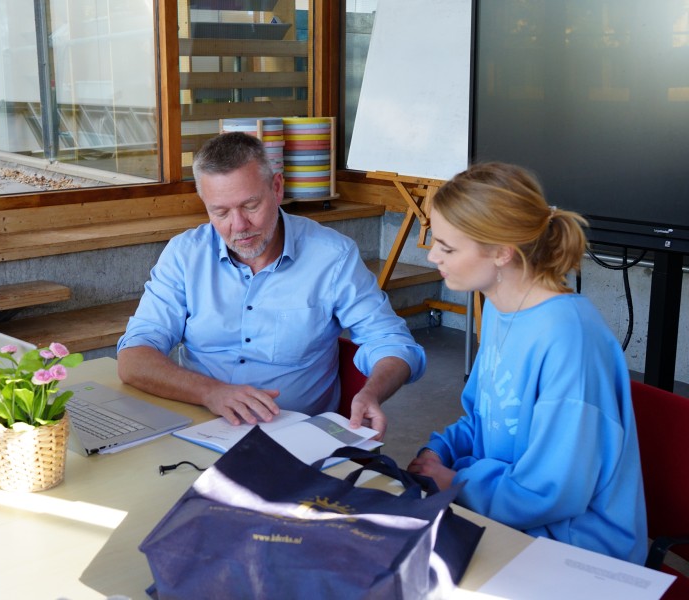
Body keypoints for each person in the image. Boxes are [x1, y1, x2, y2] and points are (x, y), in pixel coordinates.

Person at [407, 162, 647, 563]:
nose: (433, 256)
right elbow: (483, 418)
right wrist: (439, 452)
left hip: (575, 549)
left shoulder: (570, 338)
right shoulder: (502, 308)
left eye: (448, 247)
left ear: (502, 252)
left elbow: (553, 491)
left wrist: (454, 481)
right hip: (509, 518)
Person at [117, 132, 425, 438]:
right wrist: (211, 393)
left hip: (297, 441)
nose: (238, 226)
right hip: (199, 430)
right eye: (220, 212)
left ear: (276, 188)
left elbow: (392, 343)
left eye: (250, 206)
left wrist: (370, 393)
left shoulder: (332, 257)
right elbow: (134, 358)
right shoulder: (185, 255)